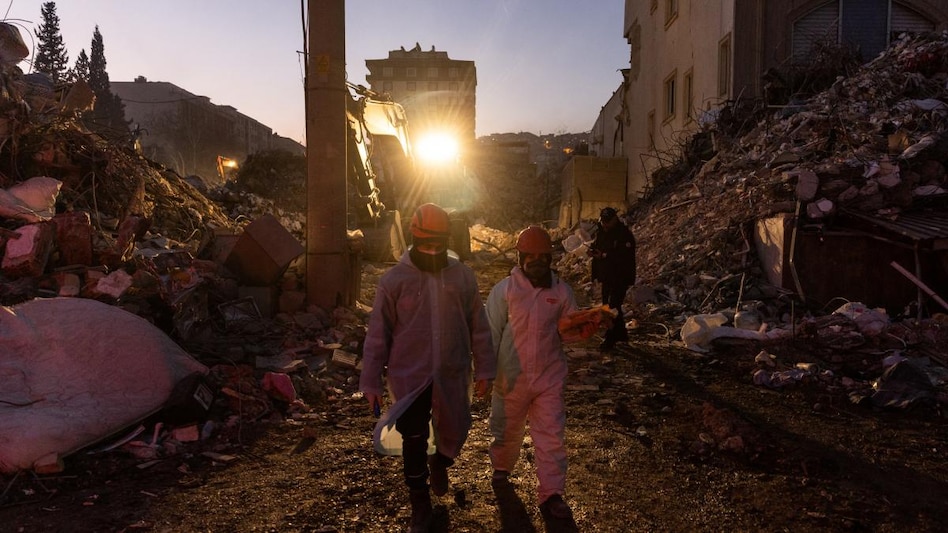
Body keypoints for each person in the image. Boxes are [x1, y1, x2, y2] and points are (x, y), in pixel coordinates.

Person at [360, 203, 496, 532]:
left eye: (439, 245)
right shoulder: (394, 280)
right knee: (414, 435)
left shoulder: (462, 276)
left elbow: (479, 327)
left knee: (456, 426)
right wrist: (371, 382)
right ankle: (419, 501)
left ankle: (442, 461)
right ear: (415, 239)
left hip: (452, 371)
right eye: (427, 245)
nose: (433, 251)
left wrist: (485, 370)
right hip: (410, 376)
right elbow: (378, 334)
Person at [486, 226, 588, 520]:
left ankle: (552, 494)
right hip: (510, 378)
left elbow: (568, 332)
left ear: (550, 258)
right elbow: (489, 334)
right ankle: (501, 470)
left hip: (548, 378)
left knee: (551, 436)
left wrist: (584, 327)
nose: (536, 261)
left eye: (542, 256)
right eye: (529, 256)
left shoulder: (562, 292)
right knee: (505, 430)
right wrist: (484, 372)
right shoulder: (504, 291)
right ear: (520, 258)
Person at [587, 206, 637, 351]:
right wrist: (592, 251)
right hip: (606, 275)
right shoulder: (601, 232)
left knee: (612, 306)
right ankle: (621, 334)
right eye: (603, 221)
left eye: (608, 221)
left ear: (615, 219)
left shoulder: (624, 234)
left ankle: (610, 338)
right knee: (608, 305)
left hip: (620, 275)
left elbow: (624, 256)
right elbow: (597, 245)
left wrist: (604, 255)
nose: (605, 224)